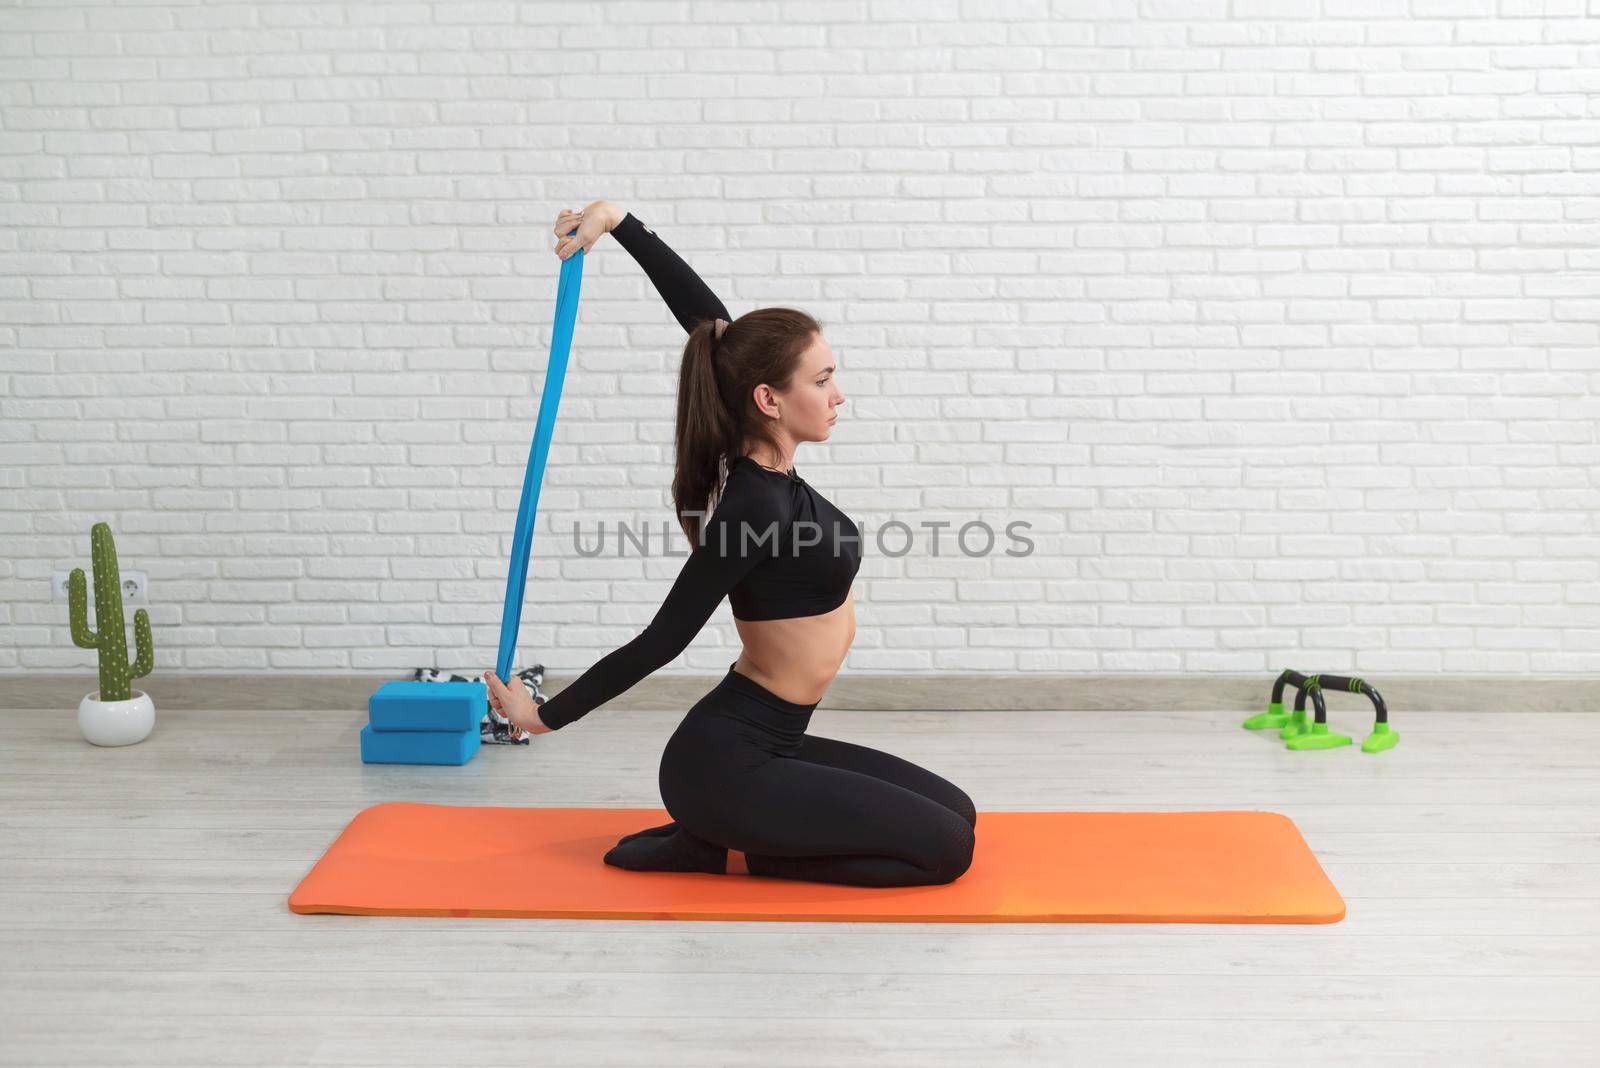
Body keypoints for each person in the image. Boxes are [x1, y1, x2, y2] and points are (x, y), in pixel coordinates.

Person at [482, 200, 976, 888]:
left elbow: (712, 330)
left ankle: (722, 838)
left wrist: (620, 224)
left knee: (960, 811)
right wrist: (545, 716)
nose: (839, 396)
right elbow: (664, 637)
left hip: (773, 741)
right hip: (725, 765)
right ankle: (742, 843)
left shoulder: (772, 465)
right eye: (824, 380)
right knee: (948, 848)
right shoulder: (753, 505)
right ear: (770, 401)